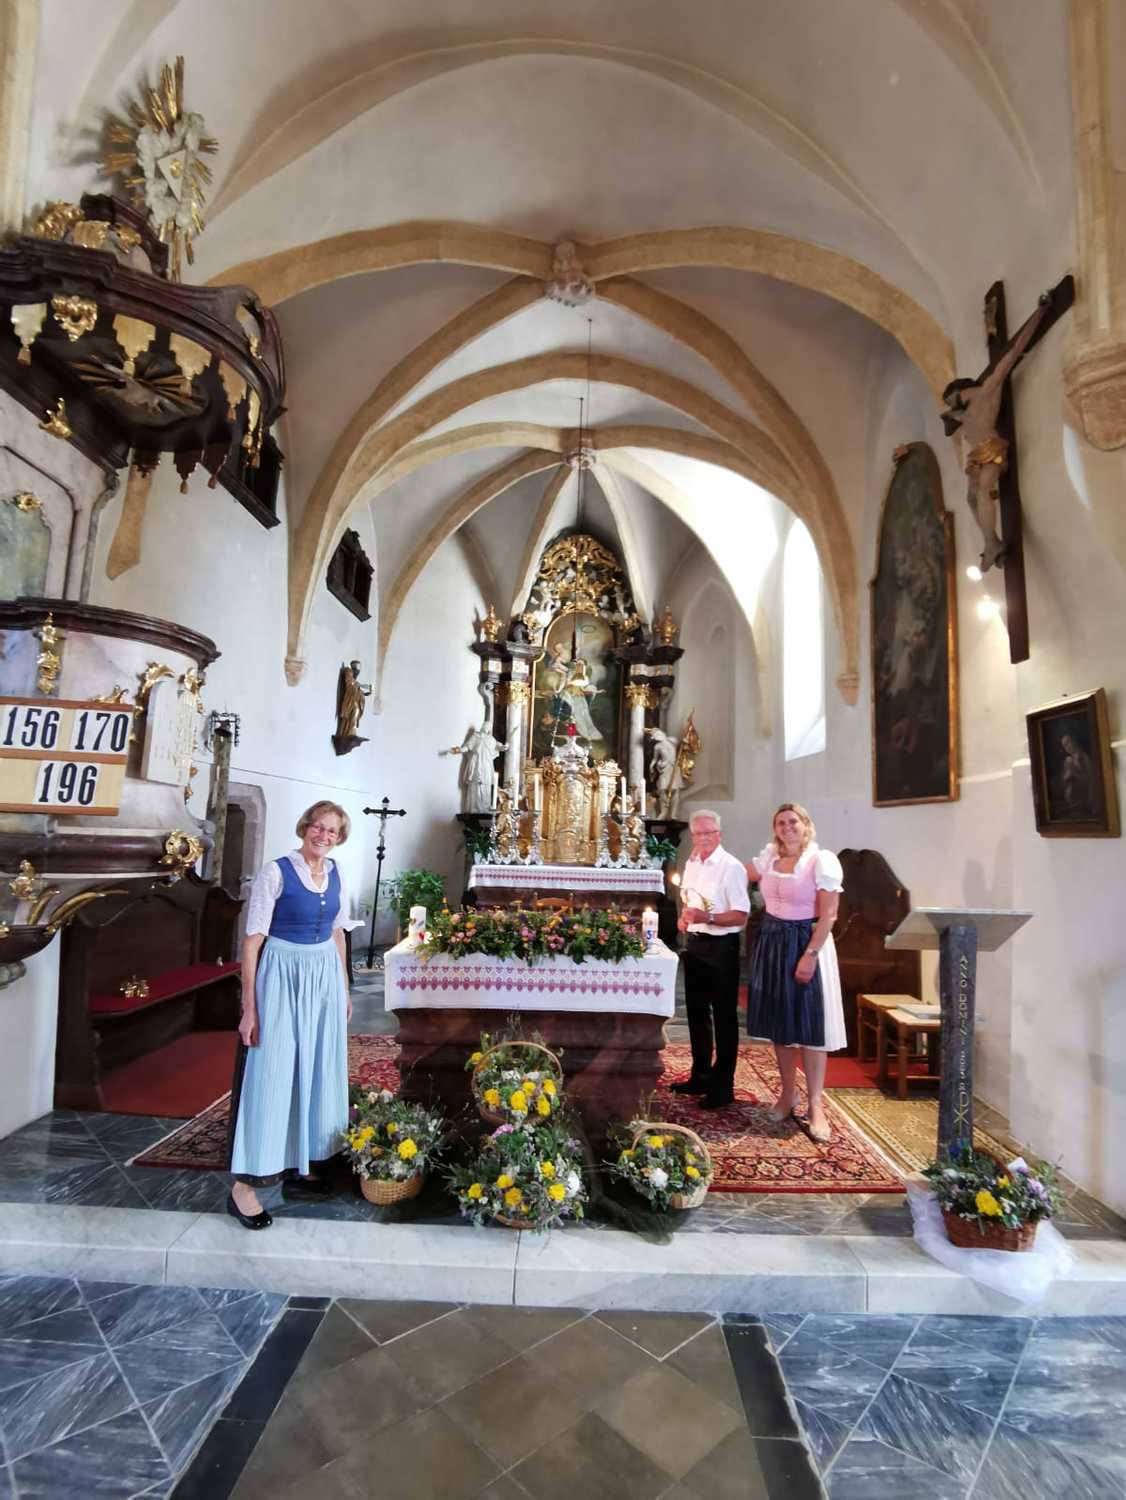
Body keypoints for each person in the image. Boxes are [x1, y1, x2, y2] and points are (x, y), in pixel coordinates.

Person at [227, 800, 353, 1228]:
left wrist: (343, 989)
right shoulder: (276, 872)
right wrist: (250, 1008)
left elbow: (337, 933)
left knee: (317, 1067)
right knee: (273, 1072)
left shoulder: (336, 873)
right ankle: (244, 1188)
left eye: (332, 831)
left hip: (323, 976)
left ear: (339, 838)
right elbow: (252, 943)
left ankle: (305, 1163)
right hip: (282, 974)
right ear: (304, 828)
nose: (323, 835)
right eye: (318, 827)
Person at [745, 803, 844, 1143]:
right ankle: (788, 1094)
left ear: (806, 824)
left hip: (806, 941)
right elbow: (741, 872)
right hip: (773, 941)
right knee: (781, 1024)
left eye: (793, 821)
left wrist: (810, 955)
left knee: (810, 1025)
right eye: (780, 822)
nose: (787, 827)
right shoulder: (770, 857)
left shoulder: (821, 860)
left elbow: (829, 915)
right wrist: (705, 856)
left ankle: (816, 1104)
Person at [672, 809, 750, 1110]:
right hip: (696, 944)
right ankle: (701, 1075)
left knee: (724, 1017)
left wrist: (708, 917)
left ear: (719, 834)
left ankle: (723, 1086)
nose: (703, 838)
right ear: (693, 836)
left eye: (709, 832)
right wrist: (685, 918)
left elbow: (741, 915)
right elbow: (689, 901)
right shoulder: (692, 863)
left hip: (721, 947)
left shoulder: (731, 867)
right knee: (697, 1013)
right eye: (698, 833)